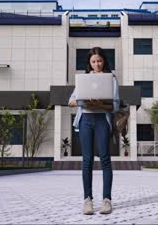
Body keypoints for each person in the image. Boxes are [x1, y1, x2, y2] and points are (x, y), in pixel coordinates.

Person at [68, 47, 120, 215]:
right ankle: (87, 200)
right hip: (86, 121)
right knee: (87, 160)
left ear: (103, 61)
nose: (97, 64)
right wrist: (85, 103)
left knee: (105, 158)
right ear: (89, 63)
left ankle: (107, 200)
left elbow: (116, 105)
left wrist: (100, 105)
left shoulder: (111, 78)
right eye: (93, 61)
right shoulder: (84, 79)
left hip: (101, 121)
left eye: (99, 61)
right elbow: (71, 101)